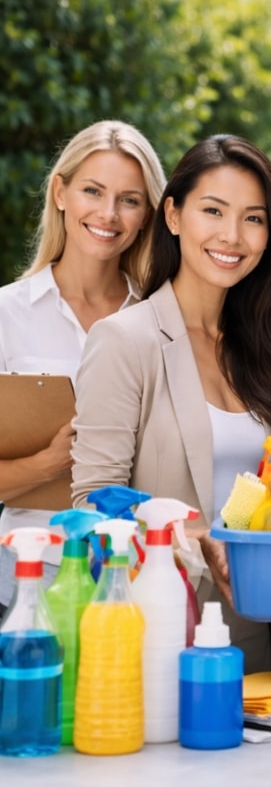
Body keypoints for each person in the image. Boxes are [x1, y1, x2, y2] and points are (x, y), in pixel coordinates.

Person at [71, 135, 271, 672]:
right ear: (173, 216)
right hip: (160, 633)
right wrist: (194, 538)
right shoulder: (125, 340)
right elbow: (90, 507)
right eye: (213, 211)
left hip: (259, 634)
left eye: (253, 218)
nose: (232, 235)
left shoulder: (266, 351)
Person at [0, 120, 165, 612]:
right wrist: (47, 463)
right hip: (27, 584)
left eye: (130, 200)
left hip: (135, 580)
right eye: (93, 191)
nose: (109, 214)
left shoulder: (159, 321)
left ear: (147, 215)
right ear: (60, 192)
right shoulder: (8, 315)